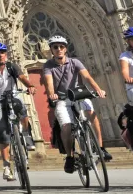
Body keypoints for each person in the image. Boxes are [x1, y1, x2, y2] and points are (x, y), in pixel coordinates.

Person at [42, 35, 112, 173]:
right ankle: (70, 156)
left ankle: (101, 148)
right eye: (55, 47)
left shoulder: (75, 62)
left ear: (66, 49)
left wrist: (98, 90)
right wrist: (52, 94)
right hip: (62, 98)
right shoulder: (48, 66)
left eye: (61, 47)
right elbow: (49, 82)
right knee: (66, 126)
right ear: (51, 50)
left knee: (92, 115)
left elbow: (87, 77)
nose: (59, 49)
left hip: (79, 95)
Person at [0, 42, 37, 182]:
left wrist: (30, 85)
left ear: (6, 54)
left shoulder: (12, 66)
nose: (0, 55)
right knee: (3, 130)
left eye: (3, 52)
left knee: (22, 110)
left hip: (13, 95)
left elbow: (22, 78)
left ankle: (26, 133)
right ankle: (6, 165)